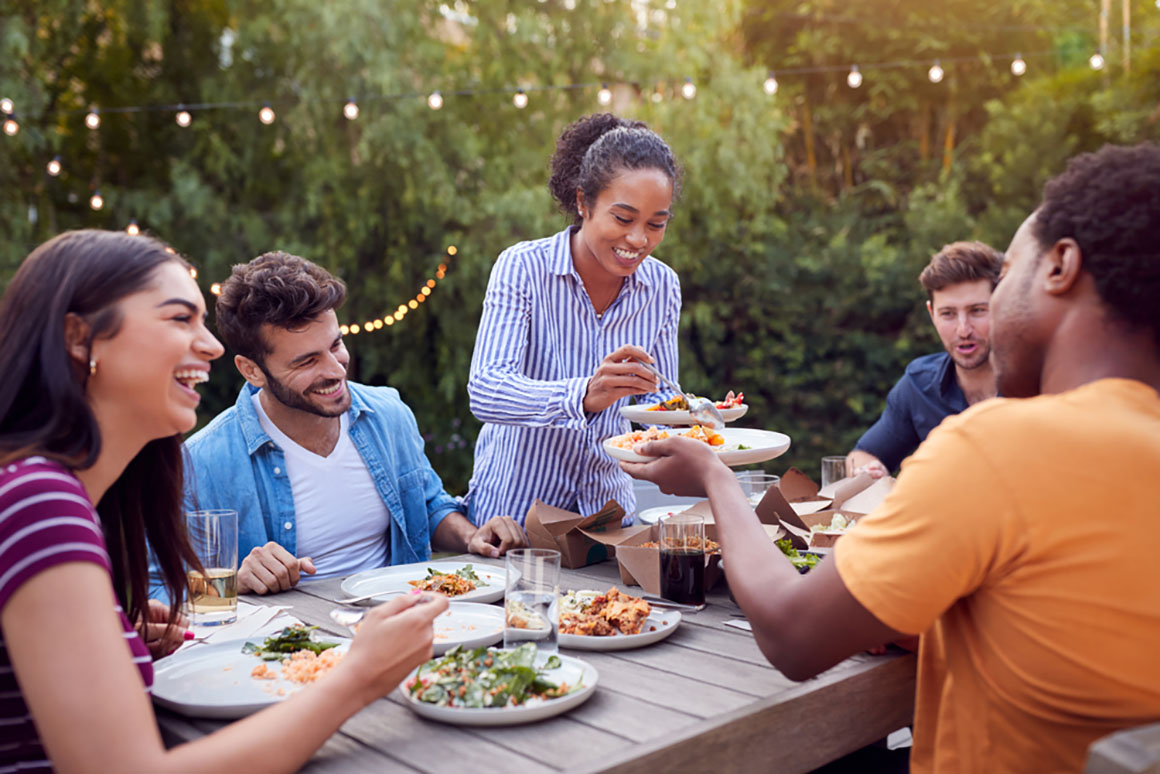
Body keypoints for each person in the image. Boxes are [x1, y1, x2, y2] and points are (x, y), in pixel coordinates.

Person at [621, 143, 1160, 773]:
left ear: (1062, 265)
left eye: (1008, 273)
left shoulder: (1000, 444)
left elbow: (793, 635)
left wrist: (715, 476)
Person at [0, 230, 448, 772]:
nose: (210, 345)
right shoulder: (39, 505)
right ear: (79, 338)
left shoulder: (49, 494)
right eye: (178, 319)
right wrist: (358, 675)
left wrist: (120, 634)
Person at [163, 252, 527, 597]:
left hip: (400, 625)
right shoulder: (200, 463)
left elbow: (428, 507)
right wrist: (234, 583)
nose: (336, 371)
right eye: (307, 362)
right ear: (251, 370)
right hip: (290, 653)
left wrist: (472, 537)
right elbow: (158, 591)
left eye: (335, 345)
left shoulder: (389, 414)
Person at [464, 113, 683, 526]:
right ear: (583, 202)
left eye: (656, 224)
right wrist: (584, 395)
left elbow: (659, 402)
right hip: (512, 520)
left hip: (608, 517)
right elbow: (487, 390)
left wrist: (688, 422)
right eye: (623, 219)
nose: (638, 240)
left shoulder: (663, 287)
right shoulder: (523, 268)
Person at [847, 241, 1002, 478]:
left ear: (1002, 306)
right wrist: (868, 472)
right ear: (932, 314)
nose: (963, 330)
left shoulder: (1040, 384)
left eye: (977, 310)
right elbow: (862, 456)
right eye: (948, 314)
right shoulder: (919, 384)